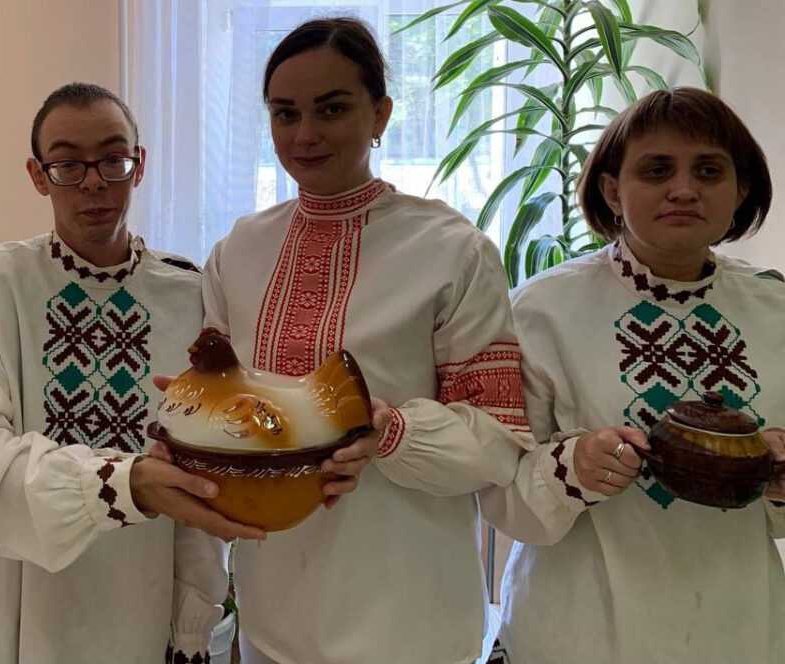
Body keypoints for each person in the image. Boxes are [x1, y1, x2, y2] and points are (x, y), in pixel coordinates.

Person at [199, 17, 532, 664]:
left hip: (408, 610)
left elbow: (497, 443)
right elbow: (220, 403)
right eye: (285, 113)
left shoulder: (450, 251)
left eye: (332, 109)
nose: (305, 134)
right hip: (271, 606)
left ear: (380, 114)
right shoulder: (238, 251)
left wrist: (388, 432)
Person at [0, 82, 274, 663]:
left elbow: (202, 465)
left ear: (140, 165)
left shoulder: (187, 294)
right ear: (38, 175)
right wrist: (121, 484)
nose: (93, 182)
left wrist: (194, 624)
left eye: (113, 159)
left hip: (150, 590)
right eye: (67, 165)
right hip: (34, 594)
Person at [480, 87, 785, 663]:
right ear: (612, 190)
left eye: (709, 171)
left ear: (741, 190)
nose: (684, 189)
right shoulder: (539, 312)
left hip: (738, 626)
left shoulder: (775, 311)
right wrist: (573, 467)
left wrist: (775, 476)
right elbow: (498, 498)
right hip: (577, 631)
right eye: (656, 169)